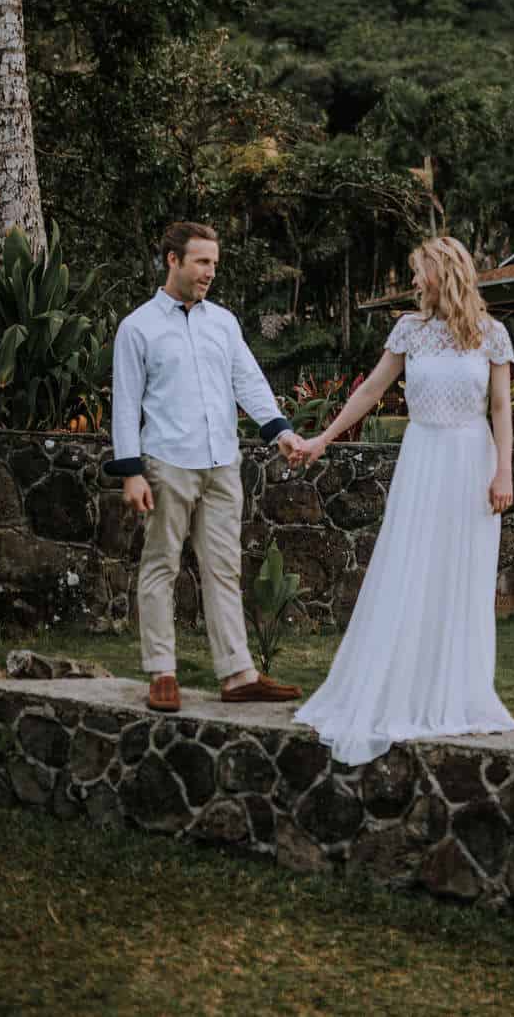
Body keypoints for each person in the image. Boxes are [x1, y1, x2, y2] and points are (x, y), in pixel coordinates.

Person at [293, 236, 514, 765]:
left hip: (472, 462)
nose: (414, 281)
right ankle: (400, 689)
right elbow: (371, 390)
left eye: (419, 272)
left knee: (461, 574)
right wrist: (324, 438)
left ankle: (456, 693)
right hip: (422, 459)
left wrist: (504, 471)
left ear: (444, 274)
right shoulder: (409, 331)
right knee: (409, 566)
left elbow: (501, 408)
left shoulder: (492, 335)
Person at [105, 221, 306, 713]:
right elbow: (125, 404)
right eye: (201, 261)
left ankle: (238, 675)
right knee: (161, 565)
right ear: (172, 260)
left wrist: (280, 431)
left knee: (223, 568)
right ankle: (162, 672)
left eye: (214, 263)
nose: (210, 272)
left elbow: (248, 380)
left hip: (222, 464)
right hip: (167, 464)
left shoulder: (223, 322)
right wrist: (131, 471)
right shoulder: (138, 327)